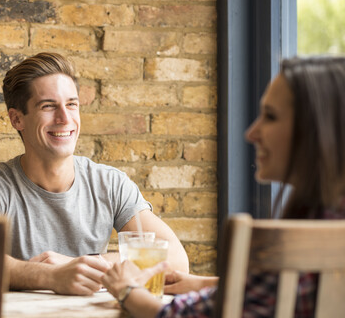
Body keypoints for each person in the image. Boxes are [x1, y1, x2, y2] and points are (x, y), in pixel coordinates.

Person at [101, 56, 345, 317]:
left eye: (271, 116)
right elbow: (278, 292)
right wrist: (205, 283)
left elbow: (180, 316)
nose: (252, 133)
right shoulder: (329, 224)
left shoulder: (299, 237)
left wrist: (127, 290)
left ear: (317, 129)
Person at [0, 52, 189, 296]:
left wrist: (82, 266)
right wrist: (51, 276)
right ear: (17, 119)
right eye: (48, 106)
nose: (65, 118)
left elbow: (175, 259)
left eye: (71, 104)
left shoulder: (110, 184)